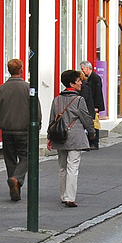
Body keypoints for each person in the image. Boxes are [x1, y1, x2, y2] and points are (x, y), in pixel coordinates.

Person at [47, 69, 94, 208]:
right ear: (72, 84)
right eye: (78, 81)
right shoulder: (79, 100)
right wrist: (92, 132)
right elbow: (86, 117)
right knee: (72, 166)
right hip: (75, 137)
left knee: (62, 167)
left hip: (60, 136)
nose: (81, 83)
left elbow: (52, 119)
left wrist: (50, 137)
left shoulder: (56, 100)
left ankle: (63, 195)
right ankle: (70, 197)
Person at [0, 58, 33, 201]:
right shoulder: (28, 88)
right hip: (24, 130)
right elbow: (35, 109)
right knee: (27, 157)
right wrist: (36, 125)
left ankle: (15, 187)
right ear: (21, 70)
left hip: (7, 131)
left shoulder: (1, 89)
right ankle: (16, 179)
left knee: (10, 159)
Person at [79, 61, 106, 150]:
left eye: (83, 69)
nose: (82, 71)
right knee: (90, 123)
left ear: (87, 68)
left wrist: (96, 106)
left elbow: (98, 93)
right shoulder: (87, 78)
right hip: (90, 105)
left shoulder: (95, 78)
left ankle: (95, 143)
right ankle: (89, 142)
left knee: (95, 124)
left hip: (94, 105)